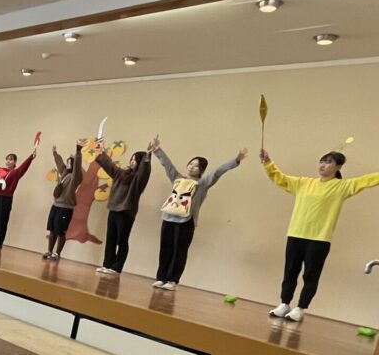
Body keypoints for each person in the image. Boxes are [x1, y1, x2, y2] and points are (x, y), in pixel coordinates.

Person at [261, 148, 379, 321]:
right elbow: (281, 178)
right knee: (290, 271)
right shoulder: (303, 183)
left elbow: (366, 180)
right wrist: (268, 163)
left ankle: (300, 308)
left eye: (328, 162)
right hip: (295, 234)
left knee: (310, 275)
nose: (323, 165)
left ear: (338, 167)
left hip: (319, 239)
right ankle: (284, 303)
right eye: (322, 161)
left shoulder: (343, 186)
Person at [151, 137, 246, 289]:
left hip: (186, 221)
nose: (192, 167)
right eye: (191, 164)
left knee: (179, 251)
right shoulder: (177, 178)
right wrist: (157, 150)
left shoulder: (202, 183)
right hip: (168, 218)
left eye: (196, 166)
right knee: (165, 249)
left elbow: (217, 172)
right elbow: (168, 165)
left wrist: (236, 160)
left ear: (201, 170)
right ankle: (161, 277)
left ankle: (172, 280)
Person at [94, 142, 152, 275]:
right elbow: (110, 166)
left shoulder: (138, 179)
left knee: (122, 240)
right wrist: (102, 152)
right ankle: (107, 264)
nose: (132, 161)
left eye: (135, 160)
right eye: (131, 159)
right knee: (111, 239)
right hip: (114, 210)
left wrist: (147, 156)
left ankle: (116, 267)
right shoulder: (121, 173)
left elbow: (145, 172)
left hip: (126, 212)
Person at [45, 141, 85, 260]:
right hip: (55, 206)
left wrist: (78, 152)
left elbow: (77, 166)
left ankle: (57, 253)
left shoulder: (75, 177)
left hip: (65, 208)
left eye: (70, 163)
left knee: (60, 231)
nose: (68, 164)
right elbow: (59, 163)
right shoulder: (63, 174)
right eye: (67, 162)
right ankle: (49, 251)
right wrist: (55, 153)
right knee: (52, 230)